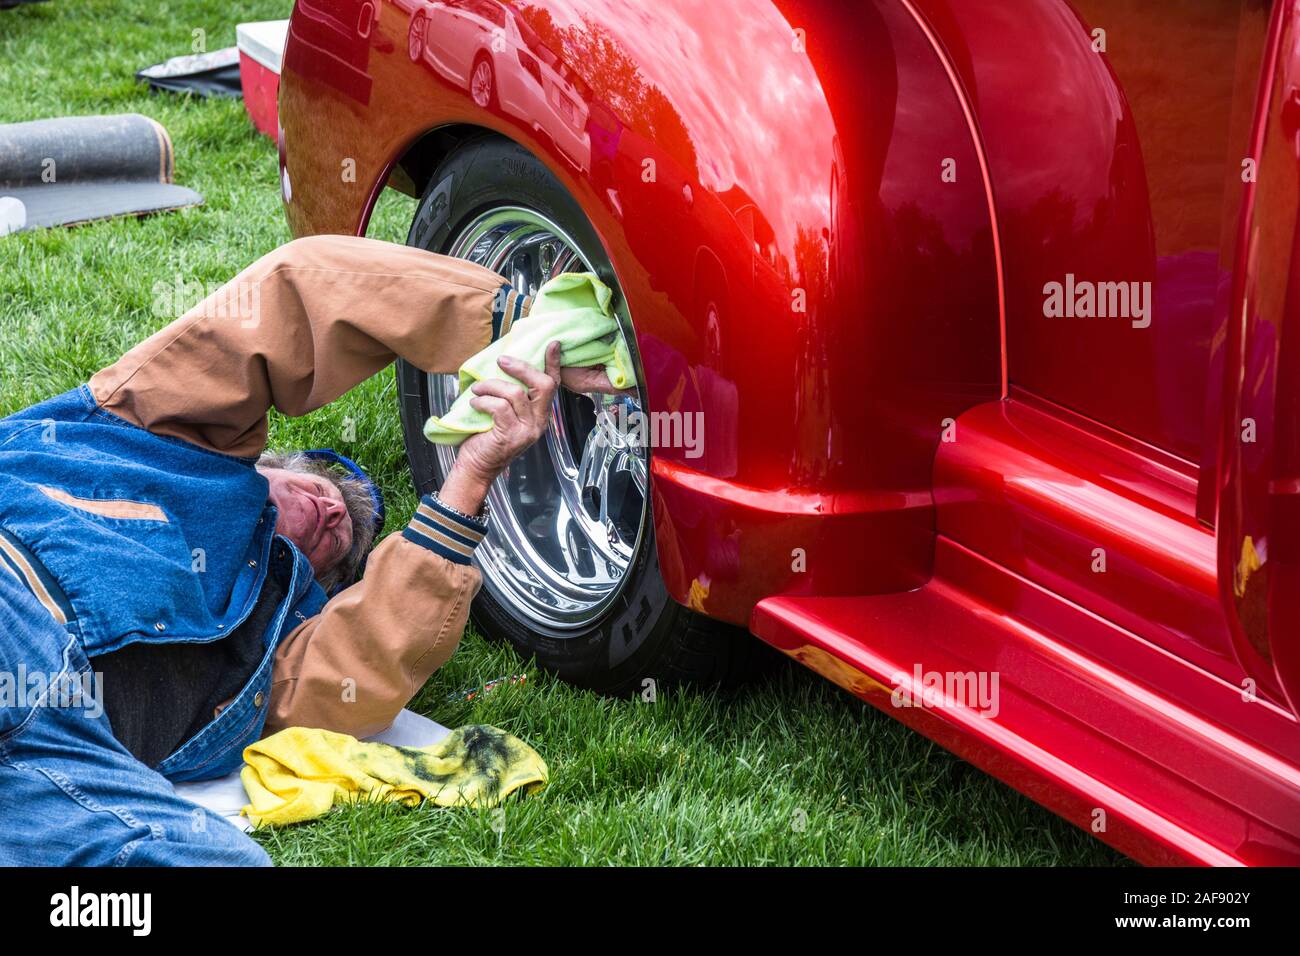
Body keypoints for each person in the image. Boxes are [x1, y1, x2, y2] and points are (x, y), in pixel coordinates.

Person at [0, 235, 626, 865]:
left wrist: (471, 474)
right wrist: (531, 334)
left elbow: (366, 659)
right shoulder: (153, 430)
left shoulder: (270, 655)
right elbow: (299, 291)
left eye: (332, 547)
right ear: (260, 461)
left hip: (49, 761)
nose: (329, 513)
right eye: (317, 489)